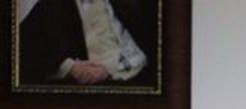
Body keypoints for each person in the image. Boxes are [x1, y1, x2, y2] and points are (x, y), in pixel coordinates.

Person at [18, 0, 155, 87]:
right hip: (88, 89)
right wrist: (69, 67)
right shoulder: (51, 5)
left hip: (136, 77)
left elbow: (146, 45)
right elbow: (24, 46)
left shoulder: (127, 4)